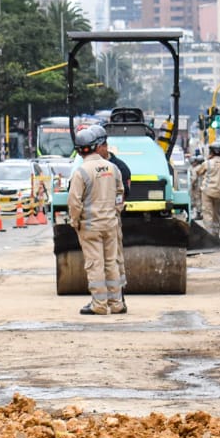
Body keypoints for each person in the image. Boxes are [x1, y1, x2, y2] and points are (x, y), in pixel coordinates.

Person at [67, 125, 123, 315]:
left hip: (90, 226)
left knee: (95, 264)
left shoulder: (81, 172)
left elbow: (74, 202)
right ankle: (116, 303)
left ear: (80, 150)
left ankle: (99, 304)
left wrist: (75, 221)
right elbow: (120, 195)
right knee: (111, 263)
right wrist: (115, 212)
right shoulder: (113, 168)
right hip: (110, 224)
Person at [92, 129, 128, 314]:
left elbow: (122, 193)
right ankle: (107, 300)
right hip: (99, 220)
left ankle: (119, 299)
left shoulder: (118, 167)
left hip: (111, 220)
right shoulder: (89, 166)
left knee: (115, 260)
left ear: (103, 146)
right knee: (102, 262)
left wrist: (115, 211)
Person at [200, 142, 220, 236]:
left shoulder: (207, 163)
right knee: (216, 215)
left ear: (211, 152)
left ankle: (209, 237)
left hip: (207, 192)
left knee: (207, 214)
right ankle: (216, 235)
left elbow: (198, 172)